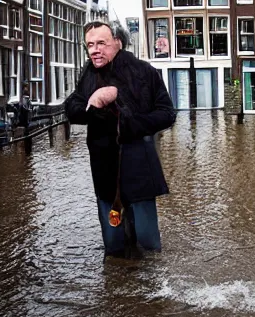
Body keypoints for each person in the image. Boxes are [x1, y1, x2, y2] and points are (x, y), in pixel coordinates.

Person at [64, 21, 176, 259]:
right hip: (104, 169)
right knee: (113, 246)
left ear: (118, 42)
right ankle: (118, 289)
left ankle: (149, 292)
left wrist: (128, 123)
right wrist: (92, 104)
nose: (94, 50)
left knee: (148, 246)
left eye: (101, 44)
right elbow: (72, 107)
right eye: (90, 45)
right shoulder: (88, 74)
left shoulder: (145, 72)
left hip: (138, 165)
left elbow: (167, 113)